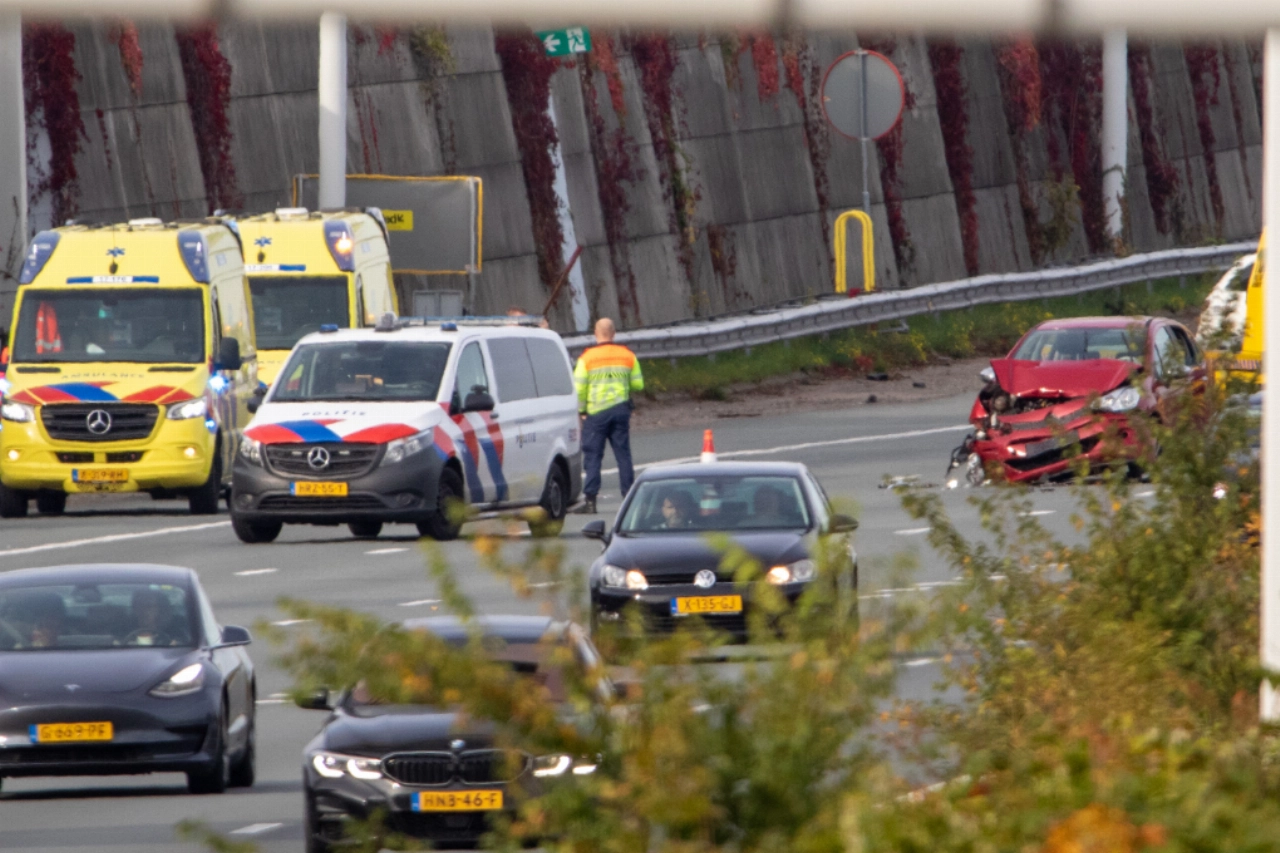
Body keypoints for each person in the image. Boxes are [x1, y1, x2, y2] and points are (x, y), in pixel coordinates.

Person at [574, 317, 644, 514]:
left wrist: (582, 410)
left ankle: (590, 502)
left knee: (593, 456)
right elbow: (638, 384)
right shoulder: (627, 355)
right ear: (613, 333)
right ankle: (628, 499)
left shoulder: (586, 358)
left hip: (596, 413)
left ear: (595, 334)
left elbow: (578, 388)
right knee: (623, 455)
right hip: (621, 410)